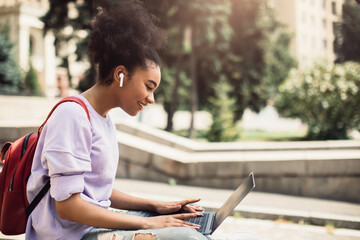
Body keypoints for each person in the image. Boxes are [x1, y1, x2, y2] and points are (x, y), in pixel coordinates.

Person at [26, 1, 261, 239]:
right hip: (72, 235)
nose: (151, 99)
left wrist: (155, 207)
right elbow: (68, 206)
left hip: (91, 228)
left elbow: (96, 191)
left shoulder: (103, 119)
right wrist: (148, 224)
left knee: (230, 233)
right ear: (120, 74)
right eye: (149, 87)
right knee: (187, 237)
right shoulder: (72, 116)